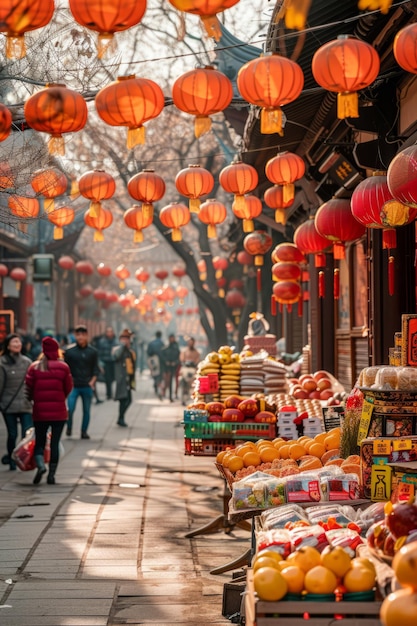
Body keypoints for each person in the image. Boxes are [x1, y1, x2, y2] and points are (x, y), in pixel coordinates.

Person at [25, 336, 73, 485]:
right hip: (59, 412)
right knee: (54, 443)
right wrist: (60, 398)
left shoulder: (34, 367)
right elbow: (68, 387)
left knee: (39, 441)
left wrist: (35, 400)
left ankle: (40, 466)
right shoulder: (63, 367)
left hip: (40, 412)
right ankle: (51, 475)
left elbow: (28, 388)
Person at [0, 333, 33, 470]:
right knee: (12, 434)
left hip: (25, 404)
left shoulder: (27, 362)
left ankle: (24, 460)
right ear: (8, 346)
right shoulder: (2, 363)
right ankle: (12, 460)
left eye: (18, 342)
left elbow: (32, 384)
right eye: (14, 342)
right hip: (8, 405)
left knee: (27, 433)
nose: (17, 345)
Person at [63, 325, 100, 439]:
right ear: (75, 336)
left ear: (87, 336)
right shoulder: (69, 352)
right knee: (70, 408)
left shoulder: (93, 352)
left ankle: (84, 431)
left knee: (87, 410)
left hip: (87, 385)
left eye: (83, 335)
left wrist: (92, 381)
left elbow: (96, 369)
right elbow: (65, 368)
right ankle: (69, 427)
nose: (80, 337)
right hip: (73, 385)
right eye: (78, 335)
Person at [112, 329, 136, 427]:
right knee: (123, 399)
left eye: (128, 339)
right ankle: (120, 418)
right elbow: (115, 357)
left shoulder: (130, 351)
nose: (126, 341)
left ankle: (120, 418)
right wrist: (122, 346)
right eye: (124, 338)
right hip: (121, 378)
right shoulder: (117, 349)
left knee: (128, 400)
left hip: (128, 378)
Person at [97, 327, 117, 400]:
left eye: (110, 331)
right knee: (108, 379)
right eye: (108, 332)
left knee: (113, 378)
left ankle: (113, 393)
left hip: (114, 362)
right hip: (105, 362)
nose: (109, 333)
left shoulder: (116, 341)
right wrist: (100, 364)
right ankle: (109, 394)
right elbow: (99, 354)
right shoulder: (102, 341)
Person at [160, 334, 180, 402]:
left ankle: (170, 396)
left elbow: (178, 358)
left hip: (173, 367)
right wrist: (166, 362)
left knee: (171, 382)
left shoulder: (176, 348)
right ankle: (163, 394)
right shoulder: (166, 348)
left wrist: (175, 362)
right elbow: (162, 357)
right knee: (166, 382)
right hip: (166, 368)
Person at [147, 330, 164, 397]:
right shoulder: (162, 343)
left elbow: (148, 352)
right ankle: (157, 384)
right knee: (159, 374)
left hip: (153, 359)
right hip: (160, 360)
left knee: (154, 372)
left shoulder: (151, 343)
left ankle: (155, 384)